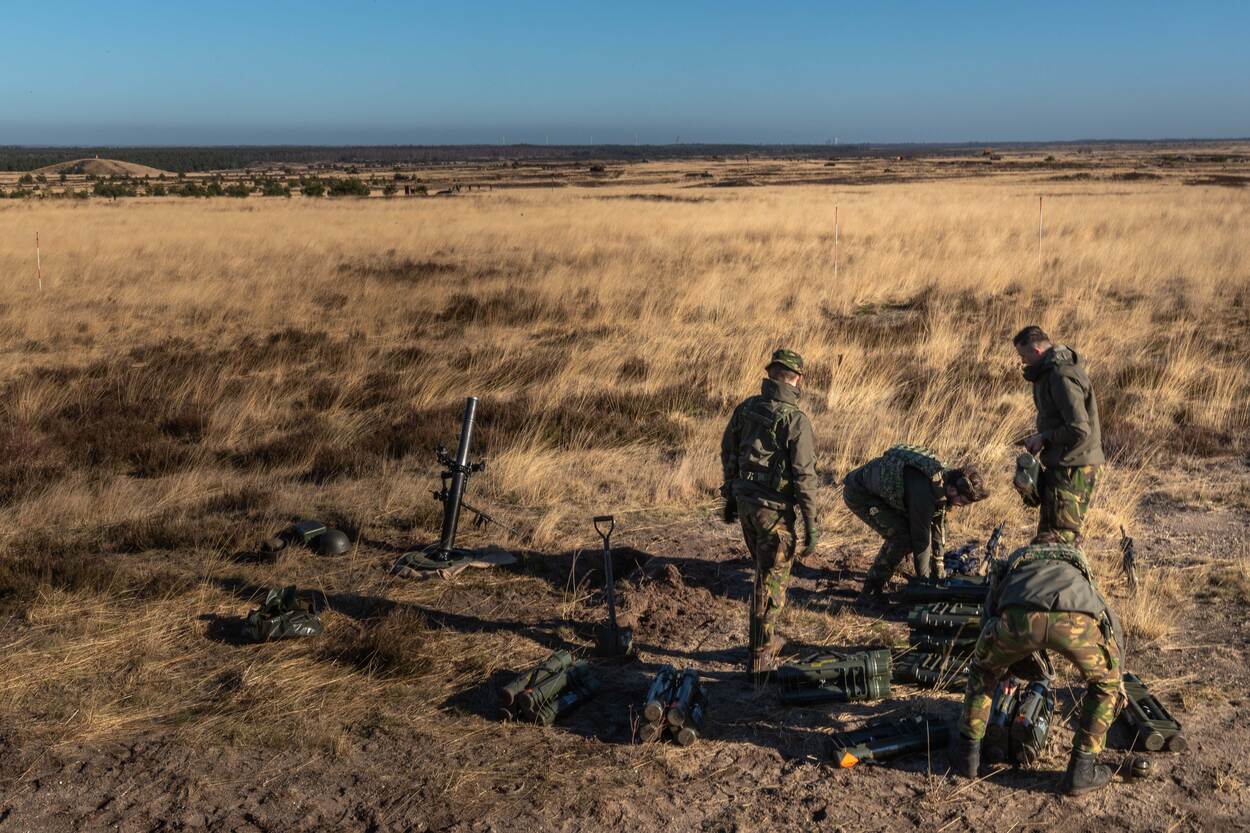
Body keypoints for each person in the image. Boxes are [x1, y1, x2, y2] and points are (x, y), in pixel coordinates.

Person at [951, 534, 1124, 795]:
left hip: (1019, 620)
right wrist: (1117, 674)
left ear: (1036, 545)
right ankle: (1082, 769)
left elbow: (990, 614)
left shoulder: (1019, 559)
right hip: (1075, 623)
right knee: (1105, 685)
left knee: (982, 672)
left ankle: (968, 754)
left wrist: (998, 665)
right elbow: (1108, 618)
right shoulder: (1077, 563)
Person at [720, 349, 819, 678]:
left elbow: (728, 451)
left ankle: (762, 641)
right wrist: (812, 524)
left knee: (764, 574)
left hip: (747, 504)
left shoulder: (746, 408)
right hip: (774, 512)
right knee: (771, 583)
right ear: (798, 379)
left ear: (770, 374)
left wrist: (731, 494)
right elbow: (804, 477)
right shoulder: (795, 421)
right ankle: (759, 657)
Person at [843, 444, 988, 606]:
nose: (962, 506)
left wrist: (938, 567)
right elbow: (921, 539)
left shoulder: (945, 481)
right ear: (953, 491)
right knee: (903, 537)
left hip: (884, 494)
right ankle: (870, 591)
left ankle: (896, 568)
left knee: (909, 535)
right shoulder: (925, 493)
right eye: (963, 502)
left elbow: (938, 523)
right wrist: (924, 584)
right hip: (859, 493)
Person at [1013, 326, 1105, 543]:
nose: (1022, 361)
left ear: (1036, 351)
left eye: (1023, 356)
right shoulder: (1052, 373)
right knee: (1049, 537)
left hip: (1073, 467)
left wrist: (1044, 437)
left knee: (1060, 539)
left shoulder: (1061, 376)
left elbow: (1079, 429)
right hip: (1065, 463)